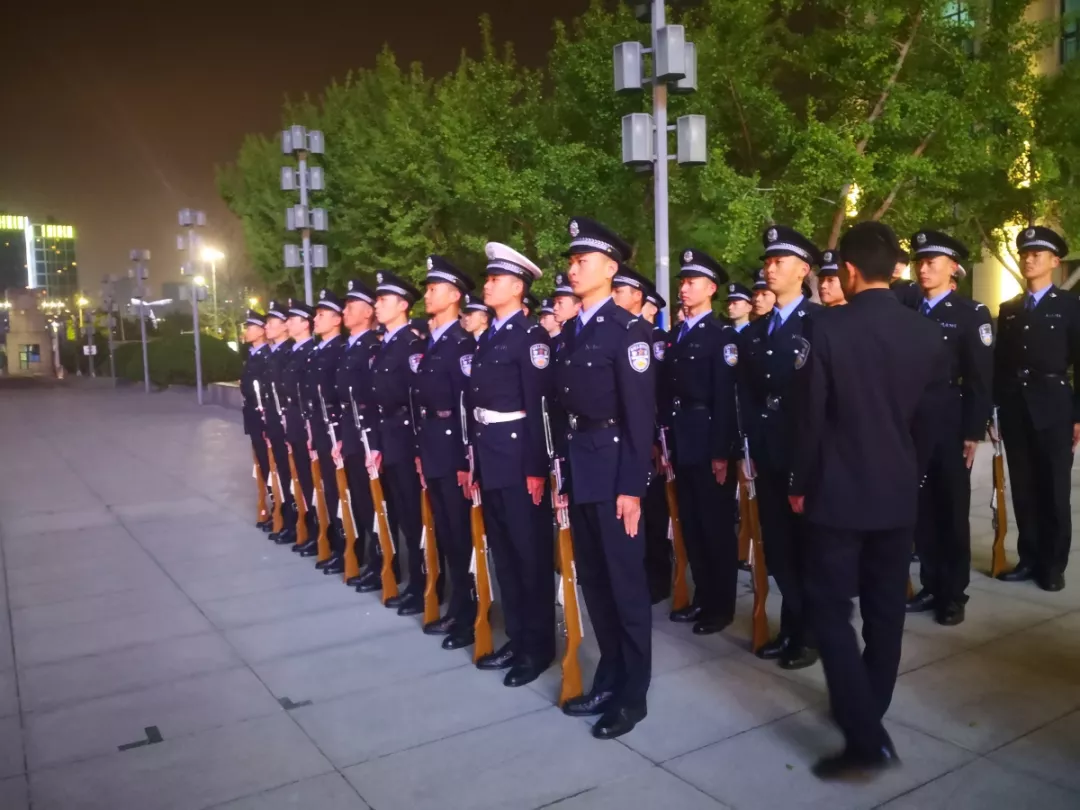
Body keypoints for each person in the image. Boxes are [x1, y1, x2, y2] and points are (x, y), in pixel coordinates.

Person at [789, 221, 946, 780]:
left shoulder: (827, 330)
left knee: (830, 610)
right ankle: (867, 708)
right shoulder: (927, 334)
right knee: (885, 610)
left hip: (838, 493)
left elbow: (811, 420)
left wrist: (799, 483)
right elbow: (931, 423)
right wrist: (911, 473)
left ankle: (864, 734)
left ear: (849, 271)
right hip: (898, 490)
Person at [554, 217, 656, 739]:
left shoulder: (628, 331)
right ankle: (609, 676)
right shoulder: (573, 330)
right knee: (595, 584)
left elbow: (640, 416)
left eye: (583, 261)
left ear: (610, 269)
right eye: (571, 261)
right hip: (581, 466)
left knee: (626, 589)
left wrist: (632, 488)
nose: (573, 268)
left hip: (615, 470)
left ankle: (633, 696)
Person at [466, 242, 556, 687]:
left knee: (529, 557)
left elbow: (539, 407)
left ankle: (537, 648)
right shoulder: (490, 338)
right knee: (505, 557)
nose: (486, 284)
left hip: (521, 461)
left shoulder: (531, 338)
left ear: (518, 287)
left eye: (494, 278)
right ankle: (518, 638)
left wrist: (537, 468)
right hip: (492, 457)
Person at [738, 225, 822, 670]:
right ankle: (791, 627)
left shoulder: (819, 323)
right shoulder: (761, 328)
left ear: (802, 270)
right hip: (769, 451)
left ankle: (809, 634)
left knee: (806, 547)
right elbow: (750, 394)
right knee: (779, 547)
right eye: (768, 261)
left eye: (779, 261)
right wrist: (750, 444)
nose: (770, 268)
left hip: (803, 452)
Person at [905, 230, 993, 626]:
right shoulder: (908, 307)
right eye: (920, 261)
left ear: (953, 267)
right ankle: (930, 583)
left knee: (951, 508)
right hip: (910, 421)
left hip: (950, 420)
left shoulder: (969, 313)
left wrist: (973, 431)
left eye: (932, 261)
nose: (924, 268)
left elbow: (979, 378)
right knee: (921, 508)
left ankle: (953, 593)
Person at [994, 226, 1080, 592]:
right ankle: (1028, 557)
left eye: (1037, 254)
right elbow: (999, 364)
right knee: (1024, 488)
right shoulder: (1010, 309)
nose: (1029, 259)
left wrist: (1078, 415)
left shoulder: (1069, 306)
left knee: (1054, 490)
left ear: (1054, 261)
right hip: (1016, 407)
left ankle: (1053, 563)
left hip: (1055, 406)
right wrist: (994, 409)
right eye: (1025, 253)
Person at [659, 249, 739, 633]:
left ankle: (720, 606)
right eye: (682, 282)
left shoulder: (721, 335)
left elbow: (725, 398)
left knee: (715, 528)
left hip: (707, 440)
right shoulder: (678, 334)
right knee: (691, 525)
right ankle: (703, 596)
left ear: (710, 289)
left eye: (691, 282)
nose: (684, 289)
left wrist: (721, 451)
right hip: (682, 439)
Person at [413, 256, 478, 649]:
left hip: (454, 450)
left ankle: (470, 615)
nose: (427, 294)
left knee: (461, 537)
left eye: (433, 288)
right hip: (434, 446)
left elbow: (467, 405)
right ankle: (458, 608)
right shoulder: (434, 342)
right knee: (448, 537)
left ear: (454, 296)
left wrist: (464, 459)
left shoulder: (462, 345)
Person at [370, 272, 427, 616]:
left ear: (403, 305)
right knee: (402, 516)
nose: (377, 305)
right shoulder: (387, 345)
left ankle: (423, 586)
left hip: (407, 440)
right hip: (389, 438)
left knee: (415, 517)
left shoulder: (411, 346)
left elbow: (416, 398)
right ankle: (414, 583)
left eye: (383, 299)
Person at [333, 279, 385, 590]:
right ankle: (367, 558)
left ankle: (380, 563)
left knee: (372, 502)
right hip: (351, 432)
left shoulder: (371, 348)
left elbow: (376, 399)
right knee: (357, 501)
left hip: (368, 434)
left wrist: (374, 443)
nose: (345, 311)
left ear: (367, 313)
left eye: (350, 306)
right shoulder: (349, 347)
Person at [640, 281, 672, 603]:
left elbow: (660, 393)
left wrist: (659, 440)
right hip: (637, 436)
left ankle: (660, 578)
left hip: (656, 435)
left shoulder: (659, 341)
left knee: (656, 511)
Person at [282, 301, 320, 556]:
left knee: (314, 481)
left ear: (305, 323)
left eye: (292, 319)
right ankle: (308, 529)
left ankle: (320, 533)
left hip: (307, 424)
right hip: (294, 423)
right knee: (303, 480)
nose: (288, 323)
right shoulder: (293, 351)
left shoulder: (310, 351)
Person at [261, 301, 298, 545]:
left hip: (289, 421)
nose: (266, 327)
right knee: (280, 473)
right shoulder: (275, 353)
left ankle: (295, 522)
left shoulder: (288, 352)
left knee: (291, 474)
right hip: (274, 420)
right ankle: (284, 517)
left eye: (270, 322)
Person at [240, 310, 272, 530]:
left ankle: (280, 508)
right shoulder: (252, 355)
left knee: (271, 465)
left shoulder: (266, 356)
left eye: (251, 326)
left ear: (261, 331)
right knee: (262, 464)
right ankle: (273, 506)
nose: (246, 331)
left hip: (263, 416)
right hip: (252, 415)